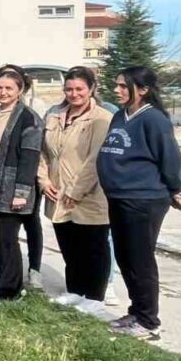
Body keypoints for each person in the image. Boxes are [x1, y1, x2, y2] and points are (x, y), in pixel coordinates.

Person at [98, 65, 181, 340]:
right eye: (117, 85)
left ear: (144, 90)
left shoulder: (154, 119)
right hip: (119, 196)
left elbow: (171, 159)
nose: (117, 90)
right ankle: (136, 311)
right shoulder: (120, 116)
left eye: (124, 86)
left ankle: (149, 321)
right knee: (125, 257)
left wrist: (175, 187)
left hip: (143, 199)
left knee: (140, 259)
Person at [39, 67, 114, 308]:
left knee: (93, 248)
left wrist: (75, 190)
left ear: (91, 89)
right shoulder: (54, 116)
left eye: (79, 89)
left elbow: (96, 158)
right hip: (57, 192)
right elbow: (43, 153)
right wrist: (44, 181)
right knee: (69, 246)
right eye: (69, 89)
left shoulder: (102, 118)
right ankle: (75, 290)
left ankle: (94, 297)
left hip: (88, 195)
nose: (74, 94)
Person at [0, 69, 44, 301]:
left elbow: (30, 158)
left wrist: (22, 192)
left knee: (7, 239)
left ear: (20, 90)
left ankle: (10, 289)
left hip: (12, 187)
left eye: (8, 88)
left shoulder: (28, 119)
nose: (3, 92)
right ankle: (3, 280)